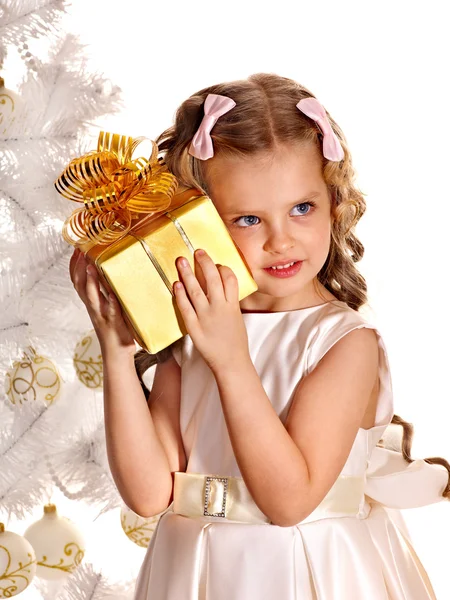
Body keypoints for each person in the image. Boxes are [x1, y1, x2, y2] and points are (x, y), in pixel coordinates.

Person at [70, 73, 450, 600]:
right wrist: (116, 350)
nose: (281, 239)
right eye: (248, 218)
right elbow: (149, 491)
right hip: (198, 573)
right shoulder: (197, 329)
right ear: (199, 221)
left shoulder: (344, 343)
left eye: (302, 208)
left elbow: (288, 502)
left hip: (310, 569)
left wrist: (230, 360)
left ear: (334, 204)